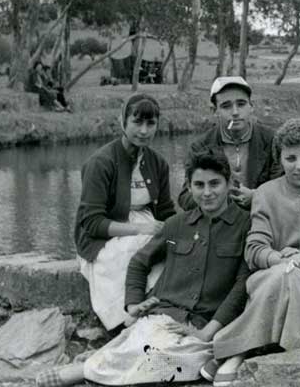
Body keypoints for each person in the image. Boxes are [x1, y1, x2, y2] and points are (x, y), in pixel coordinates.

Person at [37, 149, 250, 387]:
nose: (207, 192)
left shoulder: (245, 225)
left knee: (179, 362)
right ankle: (94, 368)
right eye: (199, 185)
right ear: (189, 188)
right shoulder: (176, 225)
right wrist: (133, 304)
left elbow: (242, 285)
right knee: (148, 345)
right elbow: (140, 262)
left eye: (215, 184)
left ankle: (88, 370)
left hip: (204, 325)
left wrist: (206, 332)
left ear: (229, 183)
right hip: (163, 318)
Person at [203, 119, 300, 386]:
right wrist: (285, 259)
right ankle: (252, 352)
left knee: (294, 278)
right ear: (280, 160)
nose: (299, 166)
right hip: (272, 278)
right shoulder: (265, 193)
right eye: (290, 158)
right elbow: (255, 250)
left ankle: (234, 350)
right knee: (287, 276)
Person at [74, 93, 176, 330]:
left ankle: (158, 314)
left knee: (171, 252)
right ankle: (126, 322)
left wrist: (183, 230)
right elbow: (92, 222)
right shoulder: (101, 163)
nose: (143, 130)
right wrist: (140, 229)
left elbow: (165, 210)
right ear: (122, 122)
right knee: (129, 254)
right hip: (104, 235)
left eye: (150, 124)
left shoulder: (158, 163)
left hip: (147, 224)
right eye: (137, 122)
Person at [178, 76, 281, 211]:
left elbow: (286, 188)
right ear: (215, 111)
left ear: (251, 107)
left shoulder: (272, 140)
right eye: (226, 106)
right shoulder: (201, 146)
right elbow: (185, 198)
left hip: (262, 217)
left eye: (241, 104)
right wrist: (221, 197)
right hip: (218, 222)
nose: (235, 112)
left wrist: (256, 196)